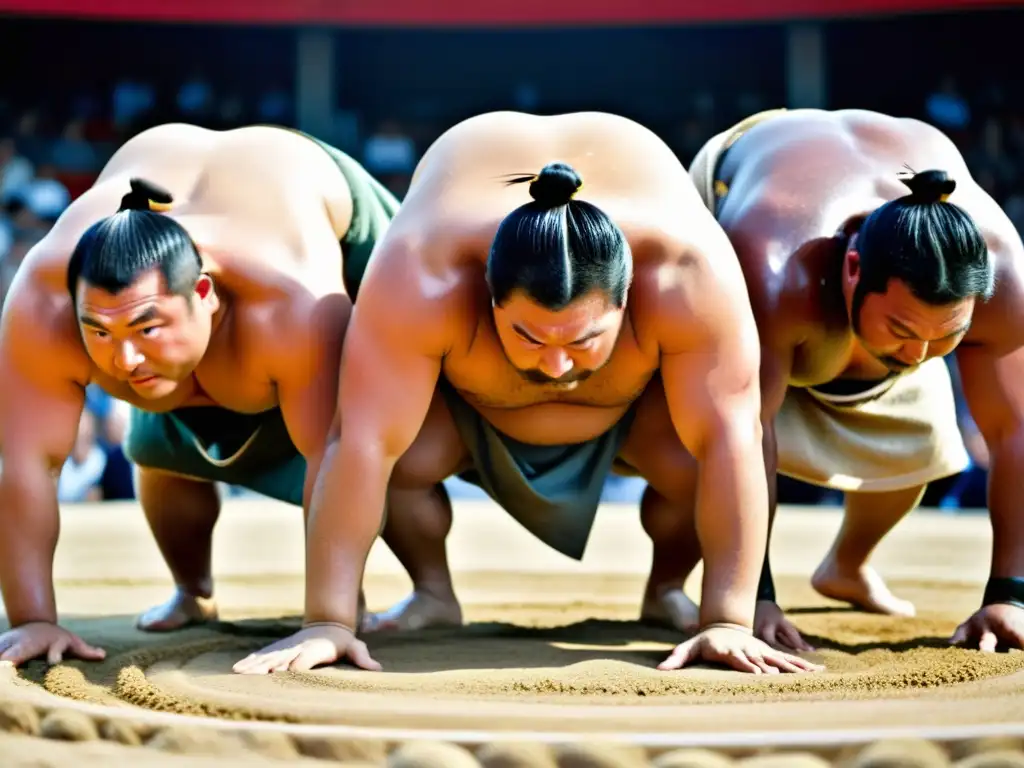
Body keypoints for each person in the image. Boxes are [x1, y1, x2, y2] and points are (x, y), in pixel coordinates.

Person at [233, 111, 823, 677]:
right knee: (386, 450)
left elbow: (735, 438)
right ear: (488, 298)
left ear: (628, 301)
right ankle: (433, 591)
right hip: (466, 416)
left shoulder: (686, 275)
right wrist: (327, 623)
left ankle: (669, 588)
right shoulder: (423, 274)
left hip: (635, 418)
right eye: (529, 336)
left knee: (706, 455)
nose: (558, 363)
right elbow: (358, 441)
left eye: (586, 340)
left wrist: (730, 618)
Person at [0, 123, 398, 666]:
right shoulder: (39, 303)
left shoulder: (295, 304)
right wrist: (33, 619)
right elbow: (25, 464)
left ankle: (421, 590)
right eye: (99, 332)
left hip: (310, 188)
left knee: (404, 439)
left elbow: (337, 450)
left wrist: (327, 621)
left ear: (205, 293)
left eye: (145, 328)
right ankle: (193, 591)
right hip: (181, 220)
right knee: (156, 441)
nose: (125, 359)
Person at [679, 107, 1024, 653]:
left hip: (868, 200)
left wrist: (1012, 594)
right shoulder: (770, 264)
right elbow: (741, 431)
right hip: (736, 173)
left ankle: (847, 565)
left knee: (920, 435)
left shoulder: (1004, 276)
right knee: (712, 410)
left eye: (947, 334)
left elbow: (1015, 431)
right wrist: (751, 600)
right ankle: (675, 578)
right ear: (854, 267)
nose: (920, 352)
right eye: (902, 328)